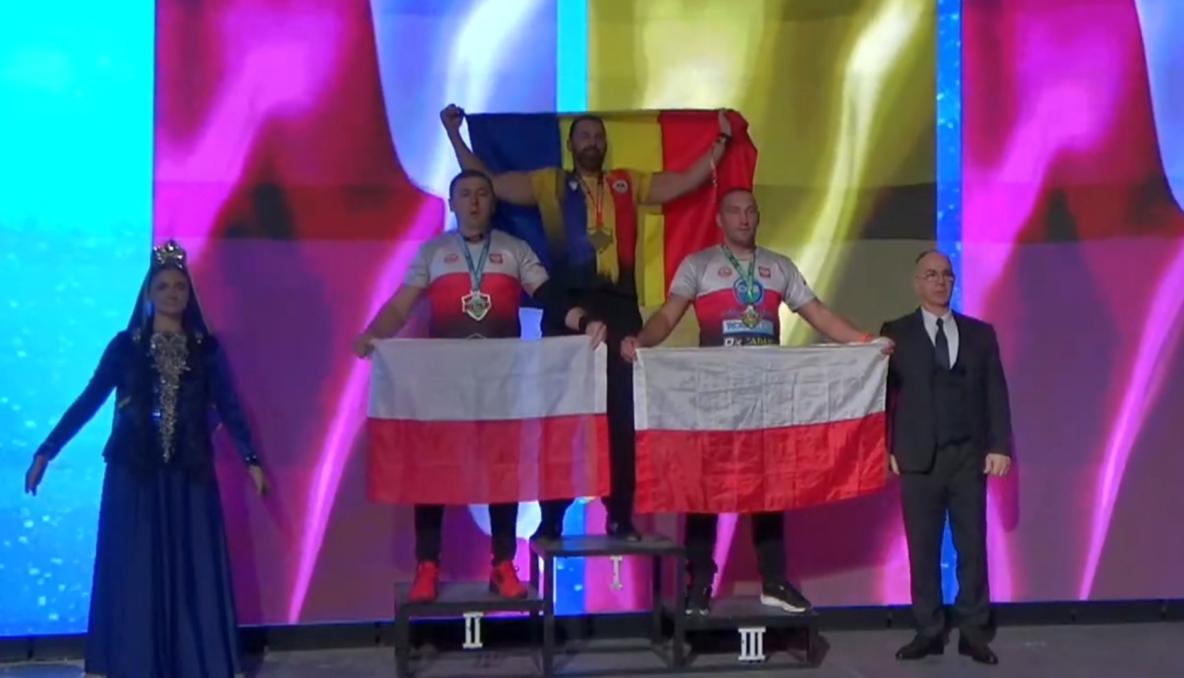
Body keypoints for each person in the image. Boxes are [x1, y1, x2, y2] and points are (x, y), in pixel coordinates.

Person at [441, 103, 734, 541]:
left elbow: (684, 182)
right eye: (584, 136)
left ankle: (619, 516)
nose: (592, 142)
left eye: (598, 136)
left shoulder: (628, 182)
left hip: (619, 310)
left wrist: (721, 143)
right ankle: (552, 518)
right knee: (560, 417)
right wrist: (454, 135)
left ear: (605, 144)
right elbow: (489, 183)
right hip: (567, 310)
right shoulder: (550, 183)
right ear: (571, 144)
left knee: (621, 417)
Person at [620, 188, 888, 615]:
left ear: (758, 217)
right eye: (734, 212)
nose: (743, 218)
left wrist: (865, 341)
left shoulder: (779, 266)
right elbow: (668, 316)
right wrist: (641, 341)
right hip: (714, 399)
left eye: (750, 211)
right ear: (720, 220)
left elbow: (818, 314)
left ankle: (774, 582)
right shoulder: (698, 265)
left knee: (770, 487)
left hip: (766, 398)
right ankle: (698, 584)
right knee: (704, 490)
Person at [353, 169, 604, 603]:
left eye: (482, 194)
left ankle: (503, 564)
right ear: (452, 204)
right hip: (444, 385)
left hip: (499, 384)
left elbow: (548, 296)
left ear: (492, 203)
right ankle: (427, 566)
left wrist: (582, 321)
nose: (473, 201)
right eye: (465, 194)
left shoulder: (514, 250)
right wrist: (373, 334)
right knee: (431, 473)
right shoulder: (434, 252)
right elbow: (400, 306)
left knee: (501, 472)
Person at [24, 240, 267, 678]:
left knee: (192, 565)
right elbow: (90, 400)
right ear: (149, 294)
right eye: (164, 287)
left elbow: (229, 406)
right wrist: (47, 449)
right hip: (134, 473)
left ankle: (193, 660)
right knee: (136, 565)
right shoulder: (126, 347)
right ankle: (137, 660)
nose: (173, 294)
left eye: (180, 287)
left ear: (189, 294)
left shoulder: (205, 349)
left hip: (189, 473)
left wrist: (251, 457)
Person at [880, 250, 1013, 666]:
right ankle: (928, 630)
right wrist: (885, 446)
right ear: (917, 282)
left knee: (972, 546)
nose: (940, 281)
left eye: (946, 275)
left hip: (968, 457)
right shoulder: (896, 333)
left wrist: (1000, 446)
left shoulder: (980, 334)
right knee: (922, 549)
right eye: (931, 275)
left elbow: (996, 392)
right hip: (918, 458)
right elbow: (882, 396)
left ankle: (973, 632)